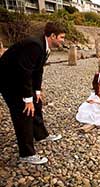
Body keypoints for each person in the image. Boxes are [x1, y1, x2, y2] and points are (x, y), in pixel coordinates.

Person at [0, 22, 66, 164]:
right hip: (8, 80)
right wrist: (27, 99)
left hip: (20, 77)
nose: (63, 40)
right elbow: (24, 72)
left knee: (37, 102)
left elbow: (37, 70)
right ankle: (26, 154)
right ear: (52, 36)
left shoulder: (44, 46)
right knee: (23, 111)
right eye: (61, 37)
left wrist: (36, 90)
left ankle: (40, 135)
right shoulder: (35, 45)